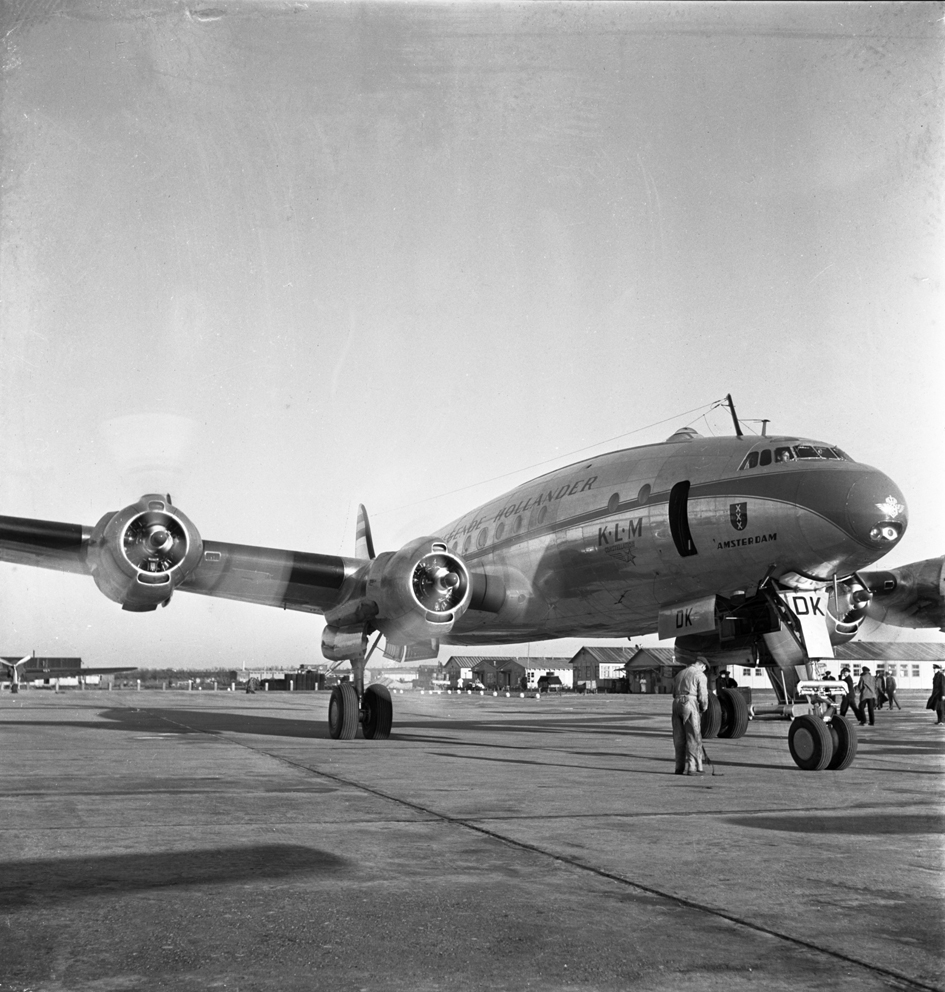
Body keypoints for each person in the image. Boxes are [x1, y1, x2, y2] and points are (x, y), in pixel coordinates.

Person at [672, 656, 709, 776]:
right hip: (689, 701)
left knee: (679, 737)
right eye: (704, 668)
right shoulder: (700, 675)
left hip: (676, 703)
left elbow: (673, 693)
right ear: (702, 665)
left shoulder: (680, 674)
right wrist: (703, 708)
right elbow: (703, 696)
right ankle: (692, 767)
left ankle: (679, 767)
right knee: (693, 736)